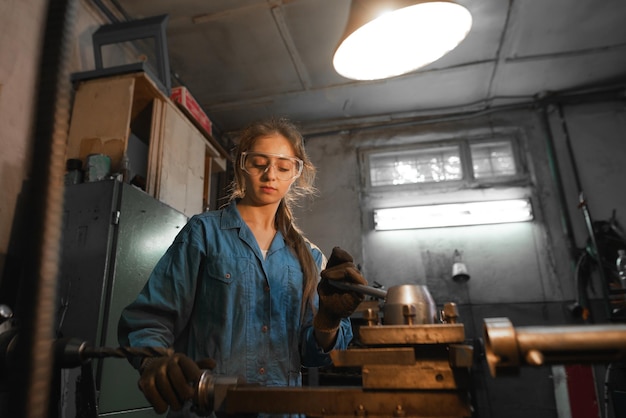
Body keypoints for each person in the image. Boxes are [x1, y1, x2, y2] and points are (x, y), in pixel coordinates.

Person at [117, 117, 367, 417]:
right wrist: (153, 361)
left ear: (296, 174)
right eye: (259, 163)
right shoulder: (204, 233)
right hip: (207, 409)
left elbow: (314, 355)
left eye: (283, 167)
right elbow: (150, 318)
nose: (270, 174)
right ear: (241, 166)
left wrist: (328, 319)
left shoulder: (309, 257)